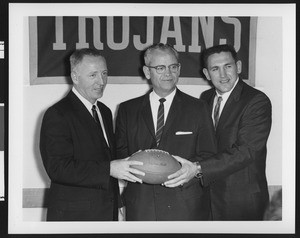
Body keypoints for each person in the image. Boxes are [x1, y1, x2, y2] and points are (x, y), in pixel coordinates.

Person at [40, 48, 144, 221]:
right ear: (75, 77)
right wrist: (110, 168)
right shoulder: (57, 113)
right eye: (93, 75)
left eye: (104, 73)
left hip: (106, 214)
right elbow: (57, 168)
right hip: (74, 217)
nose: (101, 81)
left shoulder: (104, 111)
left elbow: (106, 157)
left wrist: (117, 205)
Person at [115, 43, 217, 221]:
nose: (168, 73)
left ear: (179, 69)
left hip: (186, 206)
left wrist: (192, 170)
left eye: (173, 67)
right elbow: (120, 152)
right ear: (147, 72)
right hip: (141, 206)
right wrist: (134, 161)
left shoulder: (199, 108)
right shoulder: (127, 109)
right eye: (160, 68)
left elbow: (209, 154)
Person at [193, 44, 272, 220]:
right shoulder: (205, 98)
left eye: (228, 66)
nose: (223, 75)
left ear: (238, 67)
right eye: (215, 69)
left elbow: (246, 151)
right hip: (209, 198)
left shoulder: (256, 101)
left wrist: (198, 168)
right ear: (206, 74)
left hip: (242, 202)